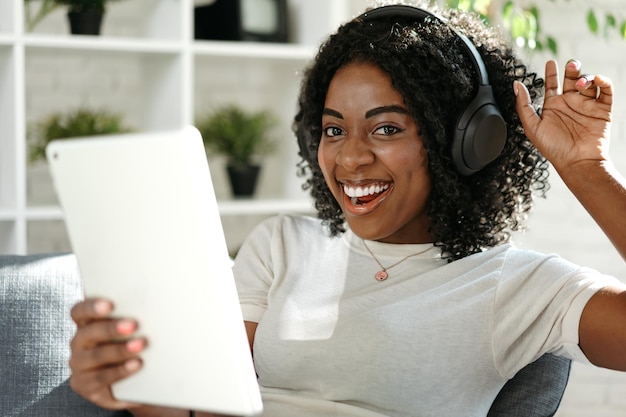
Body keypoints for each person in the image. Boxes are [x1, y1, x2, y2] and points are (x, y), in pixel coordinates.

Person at [67, 1, 626, 416]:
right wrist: (127, 385)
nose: (351, 157)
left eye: (386, 127)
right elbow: (197, 406)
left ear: (465, 141)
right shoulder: (281, 245)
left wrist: (585, 170)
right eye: (334, 129)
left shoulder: (515, 285)